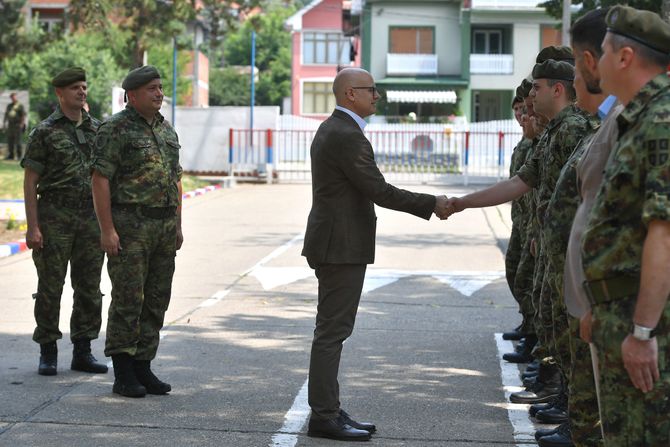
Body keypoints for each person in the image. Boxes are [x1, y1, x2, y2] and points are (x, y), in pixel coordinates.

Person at [302, 67, 449, 442]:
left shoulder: (336, 129)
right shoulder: (346, 135)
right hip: (340, 245)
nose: (377, 96)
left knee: (333, 330)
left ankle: (328, 408)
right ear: (351, 94)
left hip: (337, 241)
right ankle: (324, 415)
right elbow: (378, 190)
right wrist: (432, 203)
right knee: (332, 331)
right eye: (372, 90)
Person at [579, 6, 670, 445]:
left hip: (646, 325)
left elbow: (663, 234)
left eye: (604, 48)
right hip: (621, 312)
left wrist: (642, 332)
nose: (596, 58)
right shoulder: (640, 118)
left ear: (625, 57)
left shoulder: (661, 122)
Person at [91, 65, 183, 398]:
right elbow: (100, 180)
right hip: (130, 227)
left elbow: (175, 179)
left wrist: (178, 224)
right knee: (129, 299)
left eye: (160, 88)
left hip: (163, 226)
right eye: (152, 89)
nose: (159, 94)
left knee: (157, 298)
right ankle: (124, 372)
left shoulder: (166, 129)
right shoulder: (115, 129)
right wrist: (107, 230)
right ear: (132, 95)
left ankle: (144, 365)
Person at [21, 67, 107, 376]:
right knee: (50, 287)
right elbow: (30, 182)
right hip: (55, 216)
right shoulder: (44, 132)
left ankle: (83, 350)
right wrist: (32, 226)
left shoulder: (98, 130)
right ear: (60, 94)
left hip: (90, 218)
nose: (82, 92)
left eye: (84, 87)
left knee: (89, 287)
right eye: (74, 88)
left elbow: (106, 177)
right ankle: (48, 350)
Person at [4, 92, 26, 160]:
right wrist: (4, 123)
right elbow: (6, 115)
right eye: (12, 97)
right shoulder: (9, 105)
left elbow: (23, 115)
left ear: (16, 97)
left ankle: (19, 156)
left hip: (17, 125)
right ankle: (11, 155)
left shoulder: (20, 105)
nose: (13, 98)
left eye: (14, 97)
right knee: (10, 141)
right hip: (10, 125)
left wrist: (21, 124)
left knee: (18, 141)